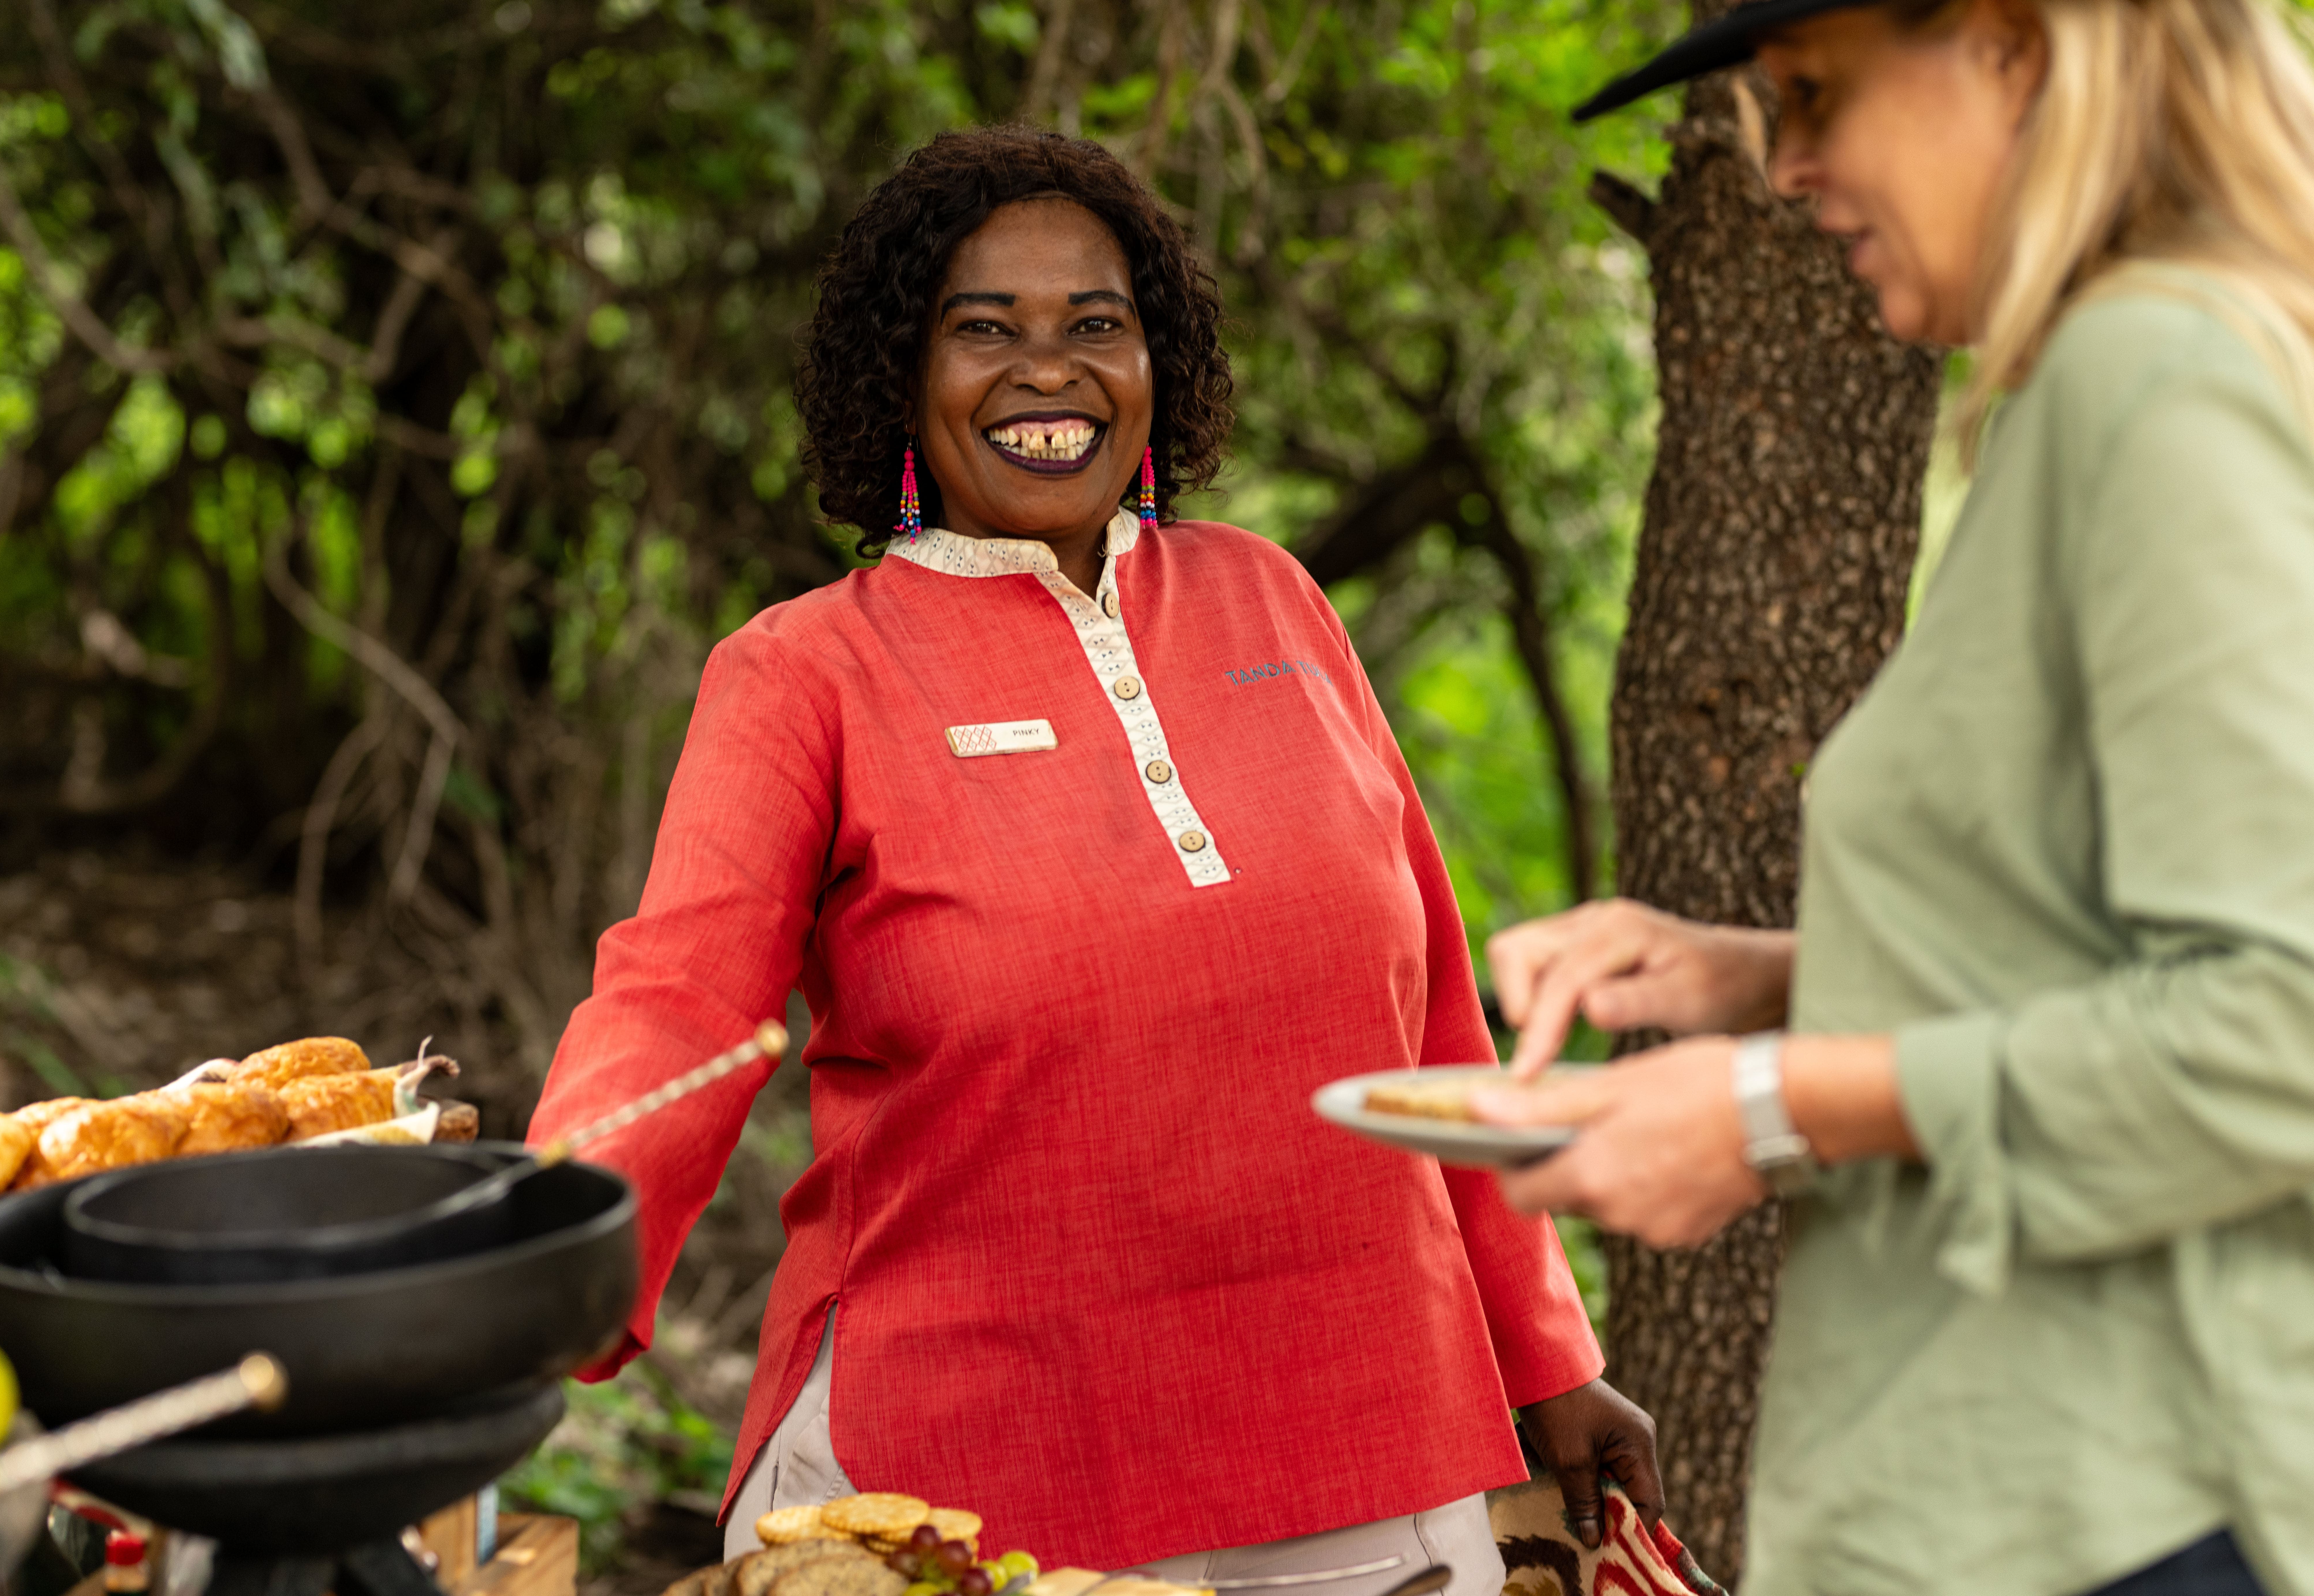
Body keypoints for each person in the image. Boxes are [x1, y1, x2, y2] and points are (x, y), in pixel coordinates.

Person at [529, 126, 1661, 1595]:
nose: (1045, 370)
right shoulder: (806, 672)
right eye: (982, 329)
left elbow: (1435, 1013)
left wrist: (1546, 1349)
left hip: (1369, 1444)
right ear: (901, 375)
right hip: (973, 1475)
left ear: (1157, 365)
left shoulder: (1273, 600)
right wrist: (533, 1272)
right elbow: (675, 1008)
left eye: (1096, 326)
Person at [1481, 2, 2314, 1593]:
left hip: (2122, 1513)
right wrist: (1761, 977)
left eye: (1810, 96)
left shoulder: (2161, 376)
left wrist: (1768, 1104)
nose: (1783, 169)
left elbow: (2279, 1023)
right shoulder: (2109, 389)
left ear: (2010, 47)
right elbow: (2127, 945)